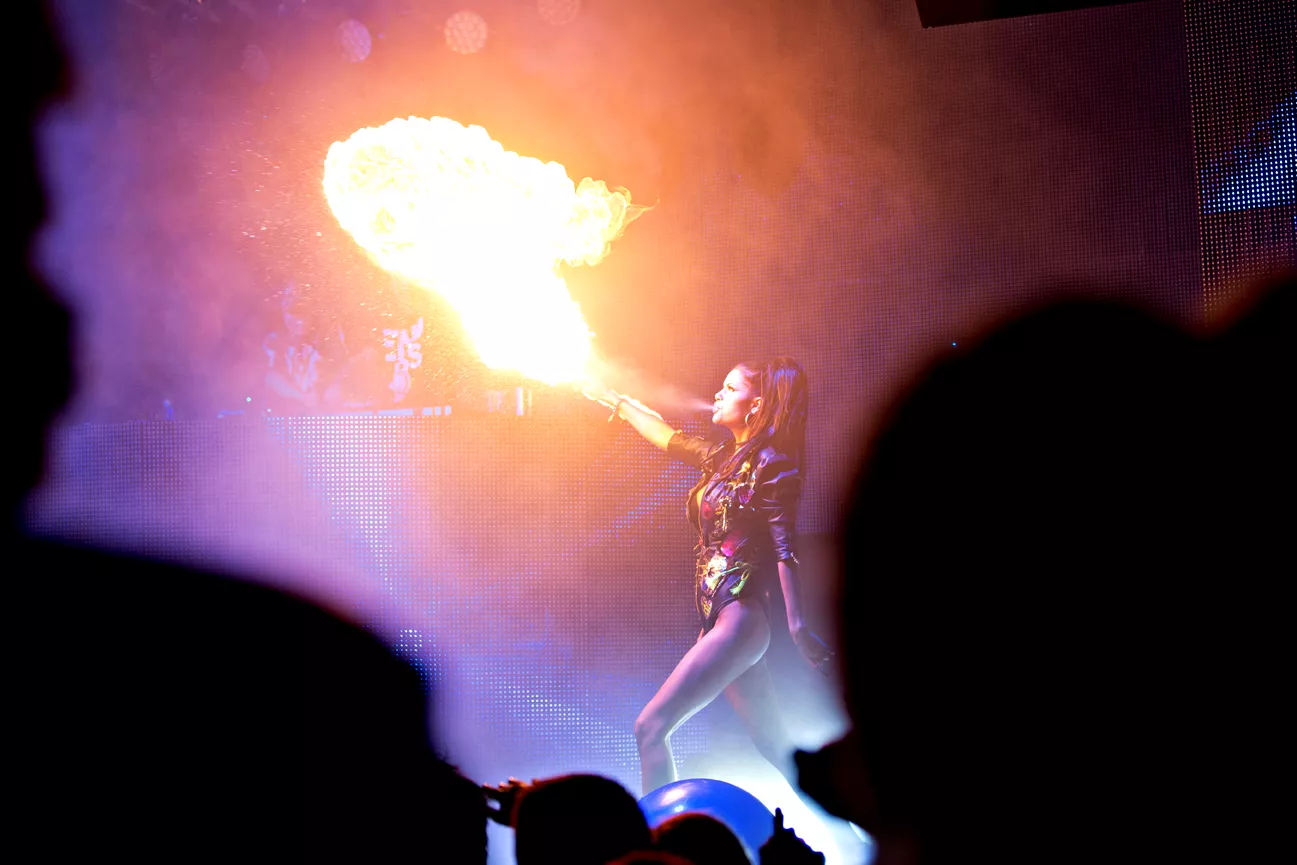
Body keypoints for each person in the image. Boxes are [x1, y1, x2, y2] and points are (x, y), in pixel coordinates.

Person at [586, 357, 832, 796]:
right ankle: (851, 828)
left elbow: (785, 549)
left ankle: (655, 836)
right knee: (776, 748)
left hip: (739, 622)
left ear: (756, 405)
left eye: (730, 388)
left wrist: (798, 627)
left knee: (650, 728)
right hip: (720, 624)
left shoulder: (774, 465)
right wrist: (617, 402)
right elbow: (667, 436)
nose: (718, 394)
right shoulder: (720, 459)